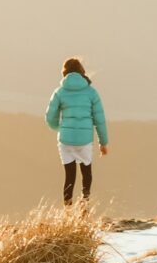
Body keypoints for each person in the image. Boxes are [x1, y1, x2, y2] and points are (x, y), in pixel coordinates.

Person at [44, 57, 109, 205]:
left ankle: (67, 212)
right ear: (81, 71)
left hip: (65, 140)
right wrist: (103, 142)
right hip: (85, 140)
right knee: (86, 174)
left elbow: (49, 117)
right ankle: (84, 207)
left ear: (64, 72)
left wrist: (60, 129)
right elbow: (99, 119)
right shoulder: (91, 92)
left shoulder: (59, 92)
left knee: (69, 176)